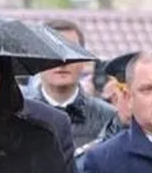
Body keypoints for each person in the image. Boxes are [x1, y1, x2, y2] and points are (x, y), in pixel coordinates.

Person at [32, 18, 115, 147]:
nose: (62, 61)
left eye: (70, 50)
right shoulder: (18, 114)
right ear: (37, 58)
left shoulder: (109, 117)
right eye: (52, 50)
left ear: (83, 58)